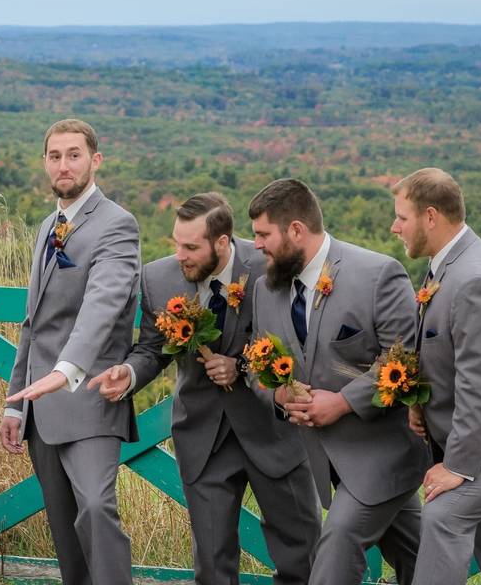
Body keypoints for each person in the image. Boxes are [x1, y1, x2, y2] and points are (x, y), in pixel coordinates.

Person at [90, 192, 320, 584]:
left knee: (303, 557)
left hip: (273, 431)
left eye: (191, 246)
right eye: (177, 243)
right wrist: (128, 374)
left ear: (222, 242)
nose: (181, 255)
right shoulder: (158, 278)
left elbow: (296, 341)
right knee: (212, 567)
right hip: (203, 436)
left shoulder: (267, 266)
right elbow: (150, 349)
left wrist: (242, 366)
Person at [249, 178, 429, 585]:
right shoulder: (265, 289)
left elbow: (406, 361)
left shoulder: (378, 274)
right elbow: (256, 367)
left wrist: (344, 402)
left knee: (337, 546)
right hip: (325, 462)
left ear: (296, 230)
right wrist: (278, 394)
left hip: (383, 454)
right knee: (420, 557)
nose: (256, 245)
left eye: (263, 235)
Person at [3, 119, 140, 585]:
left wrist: (67, 370)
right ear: (45, 162)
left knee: (97, 510)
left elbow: (103, 305)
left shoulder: (117, 225)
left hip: (90, 397)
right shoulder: (48, 226)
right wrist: (13, 403)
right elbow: (33, 324)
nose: (64, 165)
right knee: (64, 532)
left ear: (95, 160)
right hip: (40, 408)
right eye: (55, 156)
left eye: (74, 154)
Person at [391, 167, 481, 584]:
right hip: (478, 442)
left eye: (402, 217)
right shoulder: (447, 265)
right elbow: (445, 352)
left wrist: (457, 466)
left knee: (442, 516)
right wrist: (421, 404)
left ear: (430, 217)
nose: (394, 226)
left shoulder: (473, 279)